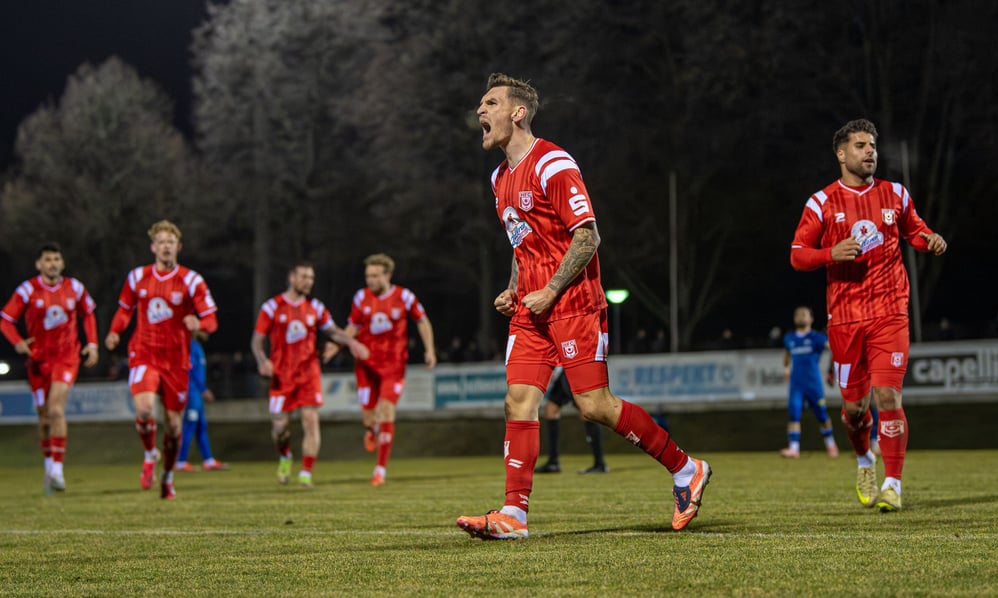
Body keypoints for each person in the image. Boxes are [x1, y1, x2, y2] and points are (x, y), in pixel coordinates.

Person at [456, 73, 710, 540]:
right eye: (480, 105)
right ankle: (514, 515)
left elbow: (588, 236)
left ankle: (686, 468)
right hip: (532, 309)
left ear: (518, 113)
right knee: (518, 401)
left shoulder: (553, 163)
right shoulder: (499, 179)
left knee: (593, 406)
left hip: (572, 301)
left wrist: (551, 289)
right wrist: (514, 288)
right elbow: (522, 243)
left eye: (490, 103)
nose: (480, 112)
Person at [790, 119, 947, 512]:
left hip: (890, 312)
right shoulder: (821, 202)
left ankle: (893, 483)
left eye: (873, 145)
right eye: (860, 145)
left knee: (888, 395)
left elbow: (915, 230)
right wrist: (830, 253)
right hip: (844, 320)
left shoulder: (896, 193)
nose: (870, 151)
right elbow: (797, 254)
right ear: (841, 154)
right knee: (855, 410)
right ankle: (864, 461)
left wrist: (930, 240)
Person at [105, 220, 219, 500]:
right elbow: (124, 311)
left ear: (178, 247)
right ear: (153, 247)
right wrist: (114, 332)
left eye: (171, 241)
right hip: (144, 352)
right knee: (144, 410)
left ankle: (167, 477)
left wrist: (199, 324)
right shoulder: (136, 278)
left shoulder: (192, 281)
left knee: (174, 425)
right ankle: (149, 454)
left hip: (177, 360)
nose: (166, 246)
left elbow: (212, 320)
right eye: (161, 241)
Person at [251, 261, 368, 488]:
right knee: (279, 429)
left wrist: (353, 343)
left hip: (308, 372)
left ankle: (306, 472)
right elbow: (256, 341)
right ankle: (285, 455)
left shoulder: (316, 307)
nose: (308, 282)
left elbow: (333, 331)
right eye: (304, 276)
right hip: (281, 375)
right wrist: (262, 361)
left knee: (311, 421)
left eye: (311, 278)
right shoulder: (272, 307)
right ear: (291, 277)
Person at [1, 242, 99, 493]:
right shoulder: (27, 290)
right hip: (38, 360)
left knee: (56, 410)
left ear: (62, 263)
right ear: (39, 264)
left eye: (56, 259)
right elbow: (6, 320)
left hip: (67, 357)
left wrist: (93, 344)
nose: (52, 263)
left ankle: (57, 470)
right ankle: (49, 466)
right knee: (44, 418)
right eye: (47, 259)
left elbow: (88, 313)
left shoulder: (74, 288)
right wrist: (19, 343)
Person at [340, 253, 437, 486]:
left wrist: (430, 350)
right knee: (368, 418)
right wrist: (339, 344)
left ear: (387, 275)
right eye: (367, 276)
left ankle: (380, 470)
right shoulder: (361, 297)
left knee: (386, 412)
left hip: (393, 364)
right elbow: (352, 327)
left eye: (374, 275)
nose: (370, 280)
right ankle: (370, 428)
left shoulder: (404, 296)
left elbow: (422, 321)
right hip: (365, 366)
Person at [779, 306, 840, 459]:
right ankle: (794, 449)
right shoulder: (789, 338)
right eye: (797, 314)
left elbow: (834, 349)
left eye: (804, 315)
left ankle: (831, 445)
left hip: (813, 383)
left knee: (822, 415)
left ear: (811, 319)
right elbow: (787, 355)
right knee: (794, 413)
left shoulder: (817, 337)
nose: (800, 317)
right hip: (796, 384)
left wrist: (831, 370)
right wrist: (786, 368)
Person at [535, 368, 609, 474]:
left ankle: (600, 463)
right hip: (564, 370)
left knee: (585, 411)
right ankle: (553, 462)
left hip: (572, 368)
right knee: (551, 409)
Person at [174, 332, 229, 472]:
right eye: (204, 329)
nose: (207, 332)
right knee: (189, 426)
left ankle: (208, 460)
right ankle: (180, 461)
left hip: (196, 394)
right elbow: (190, 371)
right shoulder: (189, 346)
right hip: (192, 393)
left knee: (201, 427)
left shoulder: (196, 346)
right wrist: (203, 389)